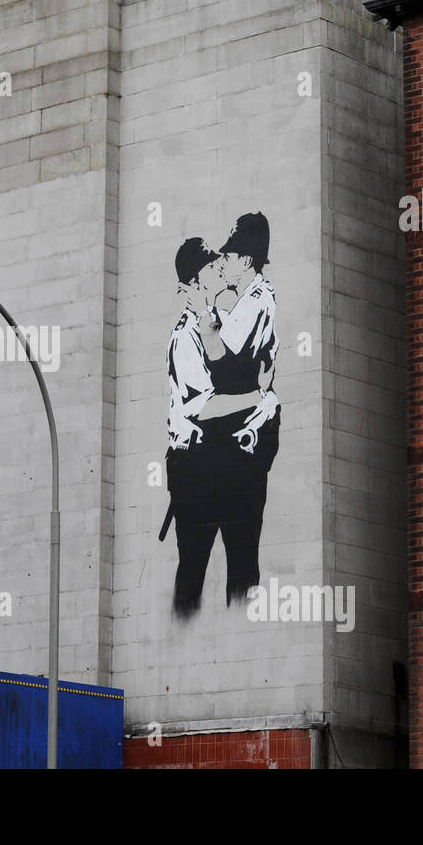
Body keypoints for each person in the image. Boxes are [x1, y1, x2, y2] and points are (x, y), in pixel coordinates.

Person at [161, 235, 274, 618]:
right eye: (210, 266)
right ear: (193, 284)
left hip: (230, 461)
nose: (219, 267)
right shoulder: (184, 337)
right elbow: (204, 408)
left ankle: (246, 639)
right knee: (194, 568)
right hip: (193, 467)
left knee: (243, 567)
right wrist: (256, 397)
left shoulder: (219, 325)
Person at [197, 212, 281, 606]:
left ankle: (240, 608)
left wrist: (204, 317)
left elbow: (220, 359)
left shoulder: (254, 302)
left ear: (245, 261)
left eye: (228, 257)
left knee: (240, 547)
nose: (223, 263)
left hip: (244, 434)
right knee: (238, 543)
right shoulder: (249, 301)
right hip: (241, 428)